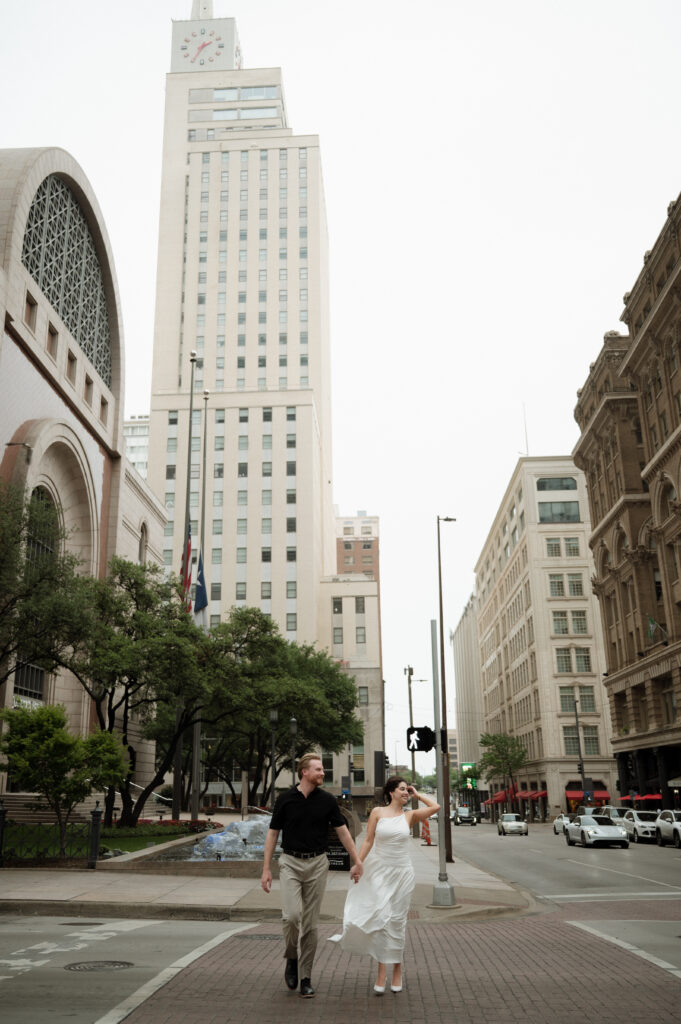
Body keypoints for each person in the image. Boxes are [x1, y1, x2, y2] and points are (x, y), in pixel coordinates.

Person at [261, 752, 363, 998]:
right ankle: (291, 958)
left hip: (318, 864)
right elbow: (273, 834)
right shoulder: (285, 799)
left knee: (310, 925)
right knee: (291, 917)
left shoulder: (327, 800)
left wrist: (357, 860)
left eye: (322, 769)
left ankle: (305, 976)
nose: (323, 773)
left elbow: (343, 832)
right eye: (318, 769)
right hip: (290, 863)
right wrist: (266, 868)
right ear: (304, 772)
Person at [333, 776, 439, 994]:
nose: (405, 793)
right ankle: (381, 973)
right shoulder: (377, 813)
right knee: (381, 920)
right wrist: (358, 864)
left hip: (402, 874)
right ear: (390, 792)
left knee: (398, 922)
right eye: (402, 789)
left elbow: (436, 806)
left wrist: (417, 794)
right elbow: (369, 840)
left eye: (406, 790)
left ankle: (397, 970)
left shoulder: (409, 816)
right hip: (380, 872)